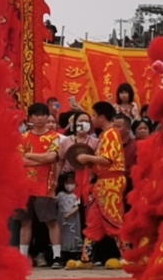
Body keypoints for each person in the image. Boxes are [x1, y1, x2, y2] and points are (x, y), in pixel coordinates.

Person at [75, 102, 128, 268]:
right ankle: (85, 259)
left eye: (93, 115)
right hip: (102, 182)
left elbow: (107, 160)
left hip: (111, 182)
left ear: (102, 117)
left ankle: (128, 257)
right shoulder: (106, 134)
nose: (92, 119)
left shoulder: (111, 133)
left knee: (114, 220)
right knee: (93, 221)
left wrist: (87, 158)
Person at [17, 103, 63, 267]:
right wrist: (40, 159)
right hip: (24, 186)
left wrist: (29, 156)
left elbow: (51, 157)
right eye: (36, 115)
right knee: (25, 222)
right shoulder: (23, 137)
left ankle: (57, 256)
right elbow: (19, 161)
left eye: (43, 114)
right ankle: (23, 257)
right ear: (30, 118)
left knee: (51, 221)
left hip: (45, 184)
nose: (39, 118)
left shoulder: (54, 137)